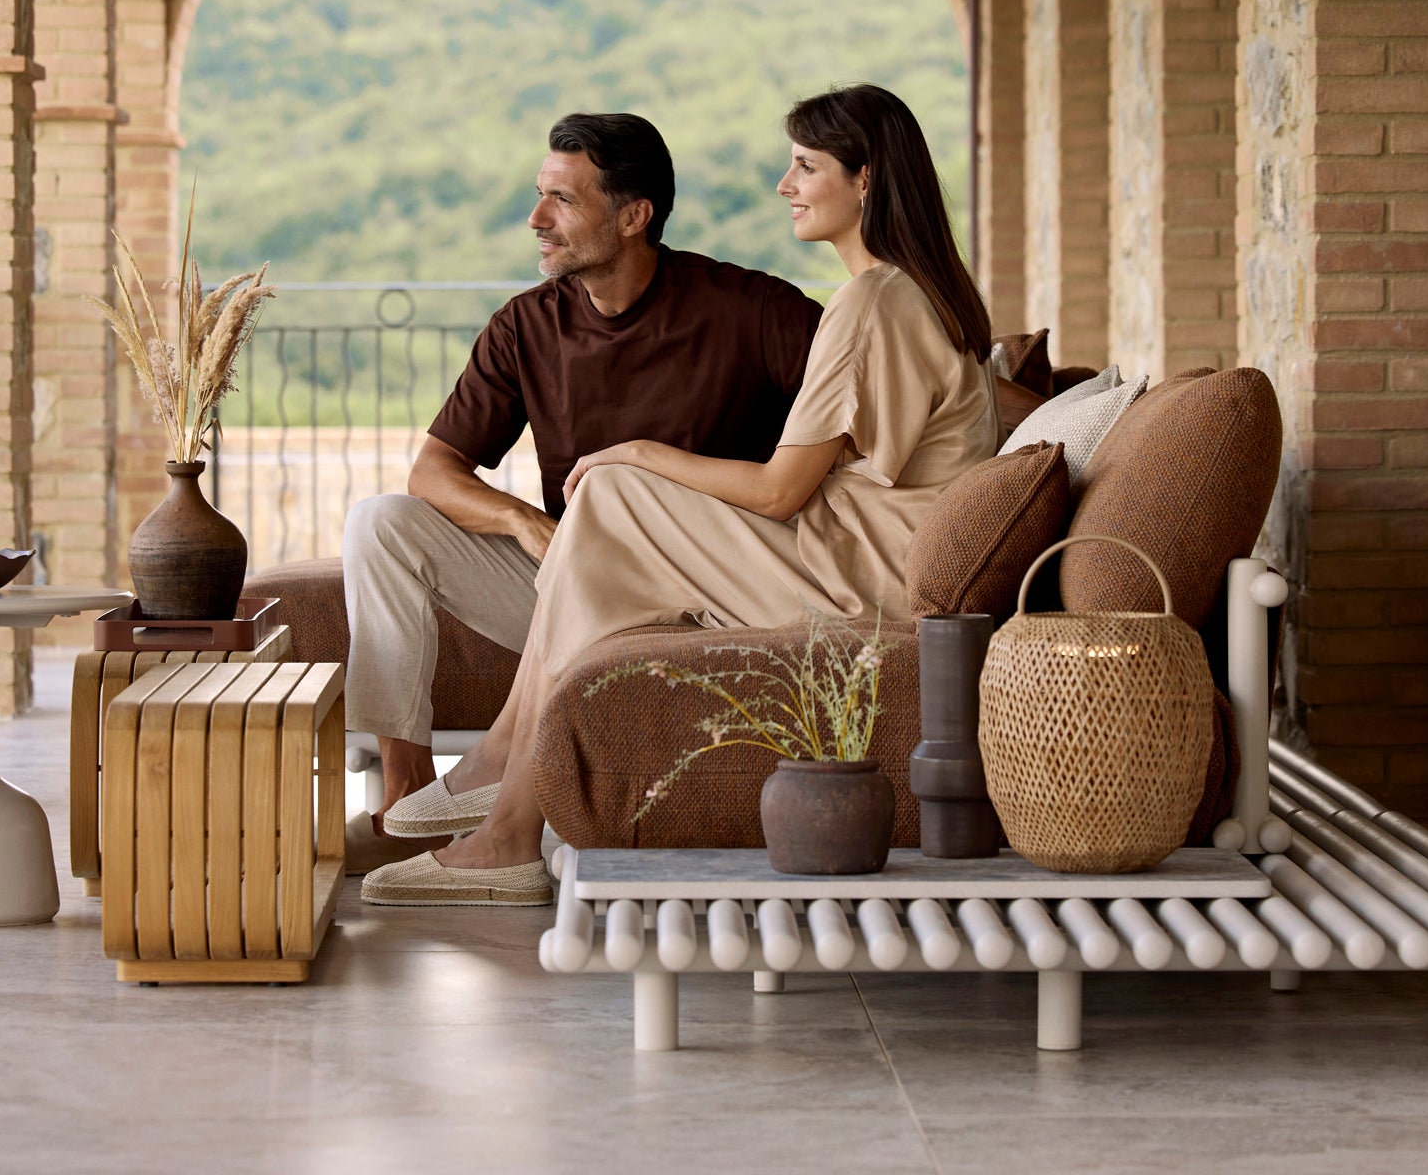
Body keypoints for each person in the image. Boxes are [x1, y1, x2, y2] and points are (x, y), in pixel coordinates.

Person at [363, 83, 999, 905]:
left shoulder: (863, 302)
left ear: (866, 178)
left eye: (805, 167)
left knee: (612, 488)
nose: (785, 185)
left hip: (859, 573)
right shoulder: (907, 296)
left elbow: (781, 491)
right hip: (860, 553)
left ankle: (506, 810)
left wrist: (638, 452)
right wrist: (547, 510)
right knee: (559, 501)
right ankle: (501, 802)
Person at [342, 111, 824, 872]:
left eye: (563, 200)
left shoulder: (755, 309)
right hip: (571, 588)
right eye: (541, 195)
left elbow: (870, 395)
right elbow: (433, 471)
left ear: (634, 217)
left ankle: (491, 804)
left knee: (617, 487)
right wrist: (525, 524)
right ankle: (408, 797)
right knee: (381, 524)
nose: (537, 219)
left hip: (703, 598)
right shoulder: (526, 325)